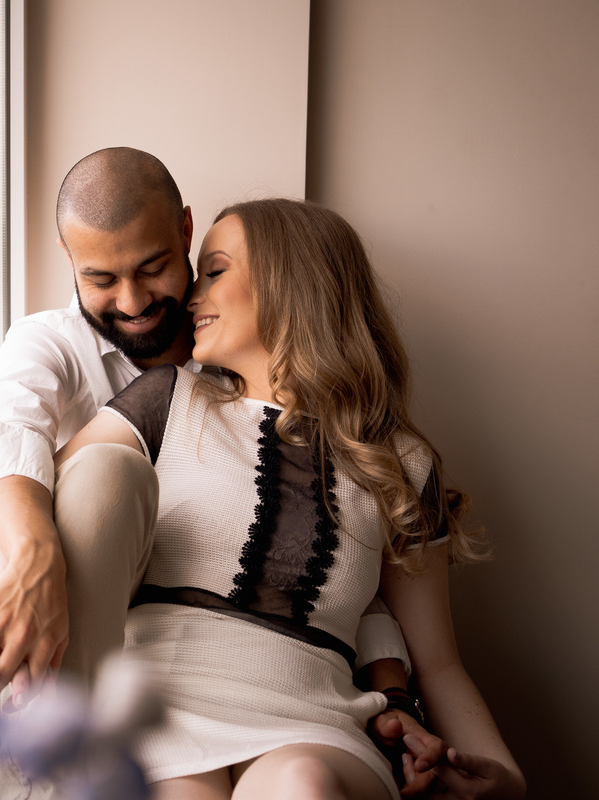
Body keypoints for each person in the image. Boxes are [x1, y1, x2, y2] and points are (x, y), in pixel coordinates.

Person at [55, 199, 524, 799]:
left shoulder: (402, 461)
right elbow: (63, 503)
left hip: (315, 724)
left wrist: (503, 776)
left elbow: (439, 663)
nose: (192, 295)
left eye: (215, 270)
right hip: (158, 703)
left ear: (290, 283)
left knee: (303, 782)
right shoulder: (165, 400)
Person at [0, 149, 412, 717]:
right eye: (100, 279)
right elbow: (5, 444)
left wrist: (394, 695)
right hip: (72, 633)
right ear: (69, 260)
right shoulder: (49, 343)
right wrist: (35, 556)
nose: (133, 301)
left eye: (152, 268)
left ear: (186, 230)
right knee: (103, 473)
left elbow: (334, 554)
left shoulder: (247, 358)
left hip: (231, 676)